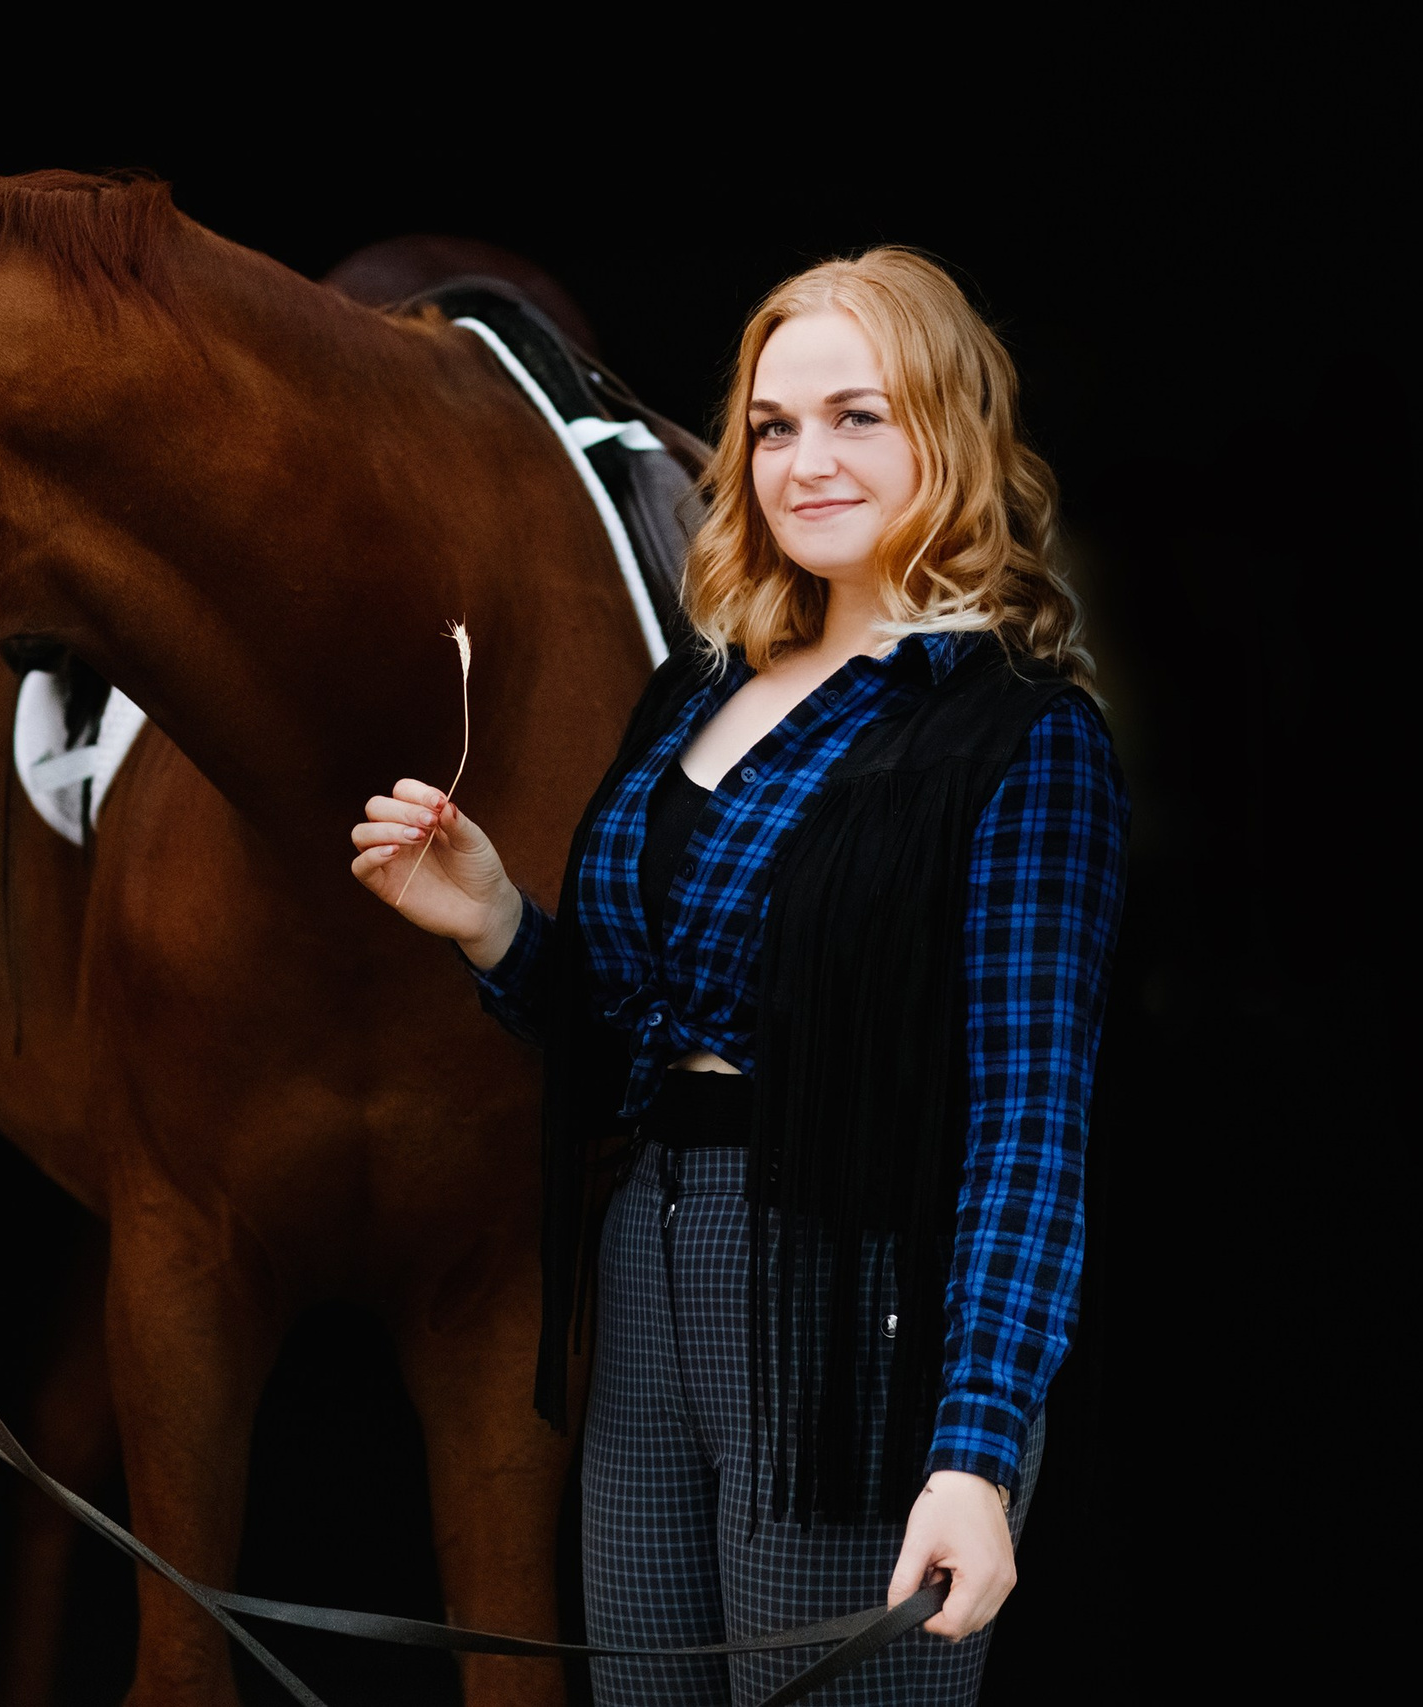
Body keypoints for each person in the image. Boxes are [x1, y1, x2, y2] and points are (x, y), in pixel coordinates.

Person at [351, 248, 1127, 1705]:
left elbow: (1030, 1137)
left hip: (855, 1312)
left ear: (947, 434)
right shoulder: (704, 685)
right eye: (773, 426)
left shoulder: (1019, 744)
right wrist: (497, 926)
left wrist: (978, 1451)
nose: (803, 461)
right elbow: (636, 1033)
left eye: (858, 416)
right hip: (646, 1276)